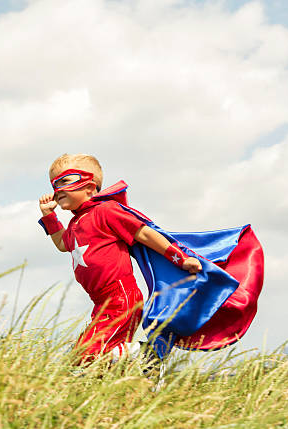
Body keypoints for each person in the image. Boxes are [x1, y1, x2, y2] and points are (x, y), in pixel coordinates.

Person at [38, 153, 201, 362]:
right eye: (54, 185)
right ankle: (140, 379)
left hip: (121, 297)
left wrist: (180, 258)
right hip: (100, 303)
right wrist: (48, 216)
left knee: (88, 354)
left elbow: (143, 233)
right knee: (84, 361)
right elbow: (62, 244)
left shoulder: (106, 211)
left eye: (65, 181)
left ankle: (148, 356)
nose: (57, 189)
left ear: (89, 186)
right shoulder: (74, 225)